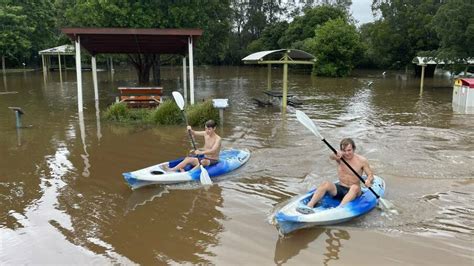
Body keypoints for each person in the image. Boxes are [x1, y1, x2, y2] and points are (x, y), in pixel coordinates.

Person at [298, 138, 374, 214]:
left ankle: (338, 209)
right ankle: (309, 205)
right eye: (344, 151)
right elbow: (331, 157)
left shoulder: (362, 160)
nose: (347, 153)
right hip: (340, 189)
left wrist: (368, 180)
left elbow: (370, 175)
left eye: (349, 150)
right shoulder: (339, 158)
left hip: (354, 192)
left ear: (354, 149)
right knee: (326, 183)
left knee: (355, 187)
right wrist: (335, 154)